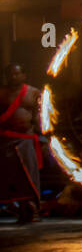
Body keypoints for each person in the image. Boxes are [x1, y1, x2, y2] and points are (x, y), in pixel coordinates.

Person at [0, 65, 42, 222]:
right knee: (8, 178)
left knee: (28, 177)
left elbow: (40, 116)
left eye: (17, 74)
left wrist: (44, 133)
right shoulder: (2, 94)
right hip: (5, 141)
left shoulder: (33, 92)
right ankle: (15, 208)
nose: (14, 77)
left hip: (25, 140)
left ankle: (30, 209)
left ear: (23, 75)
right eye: (10, 74)